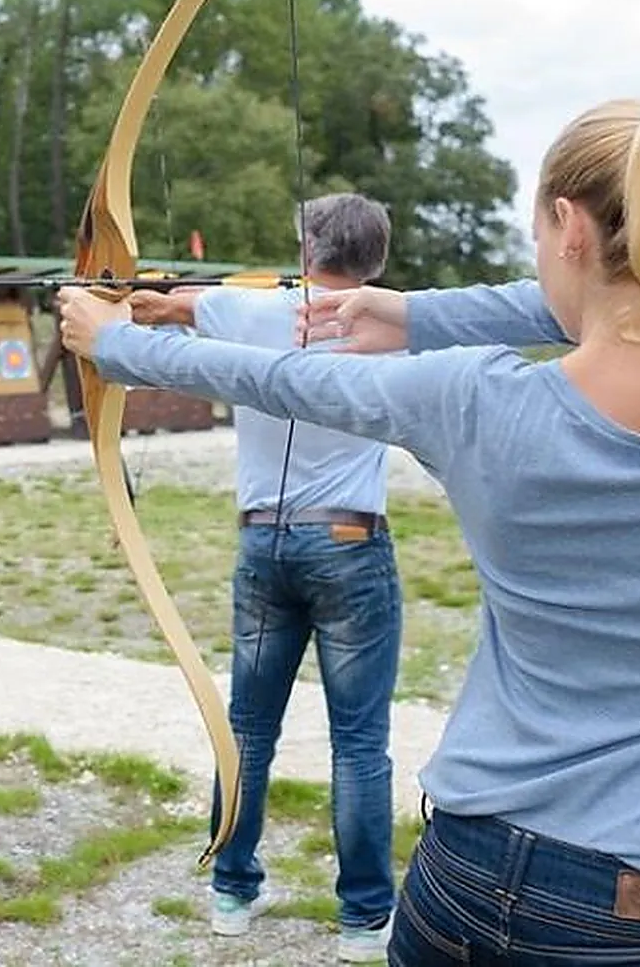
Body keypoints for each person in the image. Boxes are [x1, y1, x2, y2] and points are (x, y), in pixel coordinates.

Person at [60, 92, 640, 966]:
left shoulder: (473, 400)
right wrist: (414, 313)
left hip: (466, 879)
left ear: (569, 226)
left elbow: (284, 379)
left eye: (543, 234)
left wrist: (116, 343)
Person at [126, 192, 401, 960]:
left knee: (247, 729)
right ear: (375, 260)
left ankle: (231, 894)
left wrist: (124, 290)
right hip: (349, 542)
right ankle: (362, 920)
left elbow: (160, 310)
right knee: (359, 742)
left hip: (263, 548)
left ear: (308, 247)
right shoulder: (393, 324)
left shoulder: (248, 312)